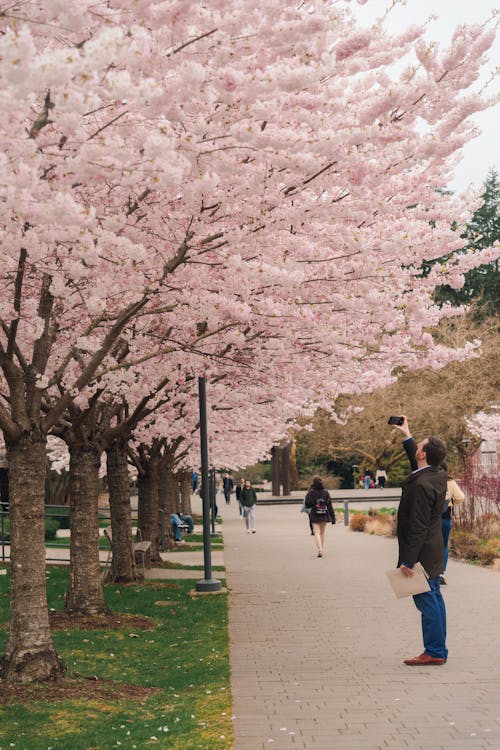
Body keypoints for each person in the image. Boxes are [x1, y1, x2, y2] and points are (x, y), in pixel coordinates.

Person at [393, 416, 448, 666]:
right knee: (434, 596)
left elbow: (417, 526)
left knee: (426, 599)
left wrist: (408, 561)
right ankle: (438, 648)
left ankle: (435, 650)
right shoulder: (436, 474)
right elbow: (419, 469)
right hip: (434, 548)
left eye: (419, 445)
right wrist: (407, 435)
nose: (417, 449)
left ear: (423, 454)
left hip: (422, 552)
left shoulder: (422, 485)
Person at [439, 460, 465, 585]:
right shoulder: (450, 482)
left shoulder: (428, 479)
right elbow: (460, 497)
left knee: (430, 545)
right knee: (444, 545)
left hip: (430, 519)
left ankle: (429, 571)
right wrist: (452, 502)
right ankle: (441, 572)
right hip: (445, 516)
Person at [305, 476, 335, 557]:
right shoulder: (326, 492)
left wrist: (313, 503)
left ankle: (320, 549)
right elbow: (330, 505)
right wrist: (333, 518)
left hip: (315, 514)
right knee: (322, 533)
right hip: (324, 514)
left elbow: (307, 504)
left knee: (317, 532)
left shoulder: (311, 492)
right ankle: (321, 548)